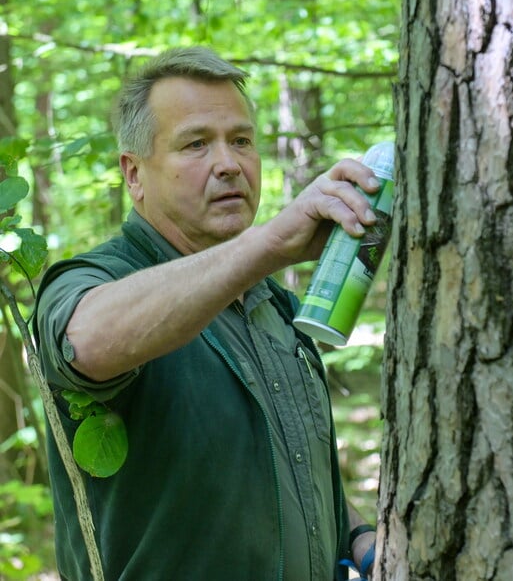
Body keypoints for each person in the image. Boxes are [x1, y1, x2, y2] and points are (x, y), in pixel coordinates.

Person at [33, 46, 378, 580]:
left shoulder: (275, 306)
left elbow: (292, 466)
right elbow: (87, 341)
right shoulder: (91, 280)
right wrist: (269, 244)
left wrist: (357, 534)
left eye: (241, 141)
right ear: (135, 174)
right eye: (195, 144)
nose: (228, 163)